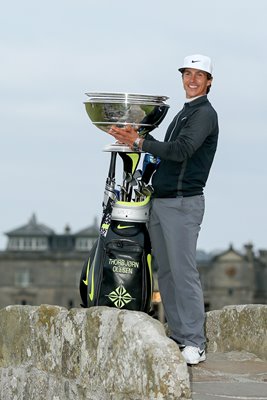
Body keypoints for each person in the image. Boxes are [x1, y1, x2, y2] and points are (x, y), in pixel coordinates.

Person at [108, 54, 219, 365]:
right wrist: (131, 137)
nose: (192, 79)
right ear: (182, 77)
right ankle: (180, 335)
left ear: (209, 82)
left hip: (183, 204)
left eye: (200, 75)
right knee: (167, 273)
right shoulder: (185, 113)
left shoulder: (204, 114)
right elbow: (164, 153)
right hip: (162, 202)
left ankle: (196, 342)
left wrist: (141, 142)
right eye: (188, 74)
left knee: (184, 273)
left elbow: (181, 151)